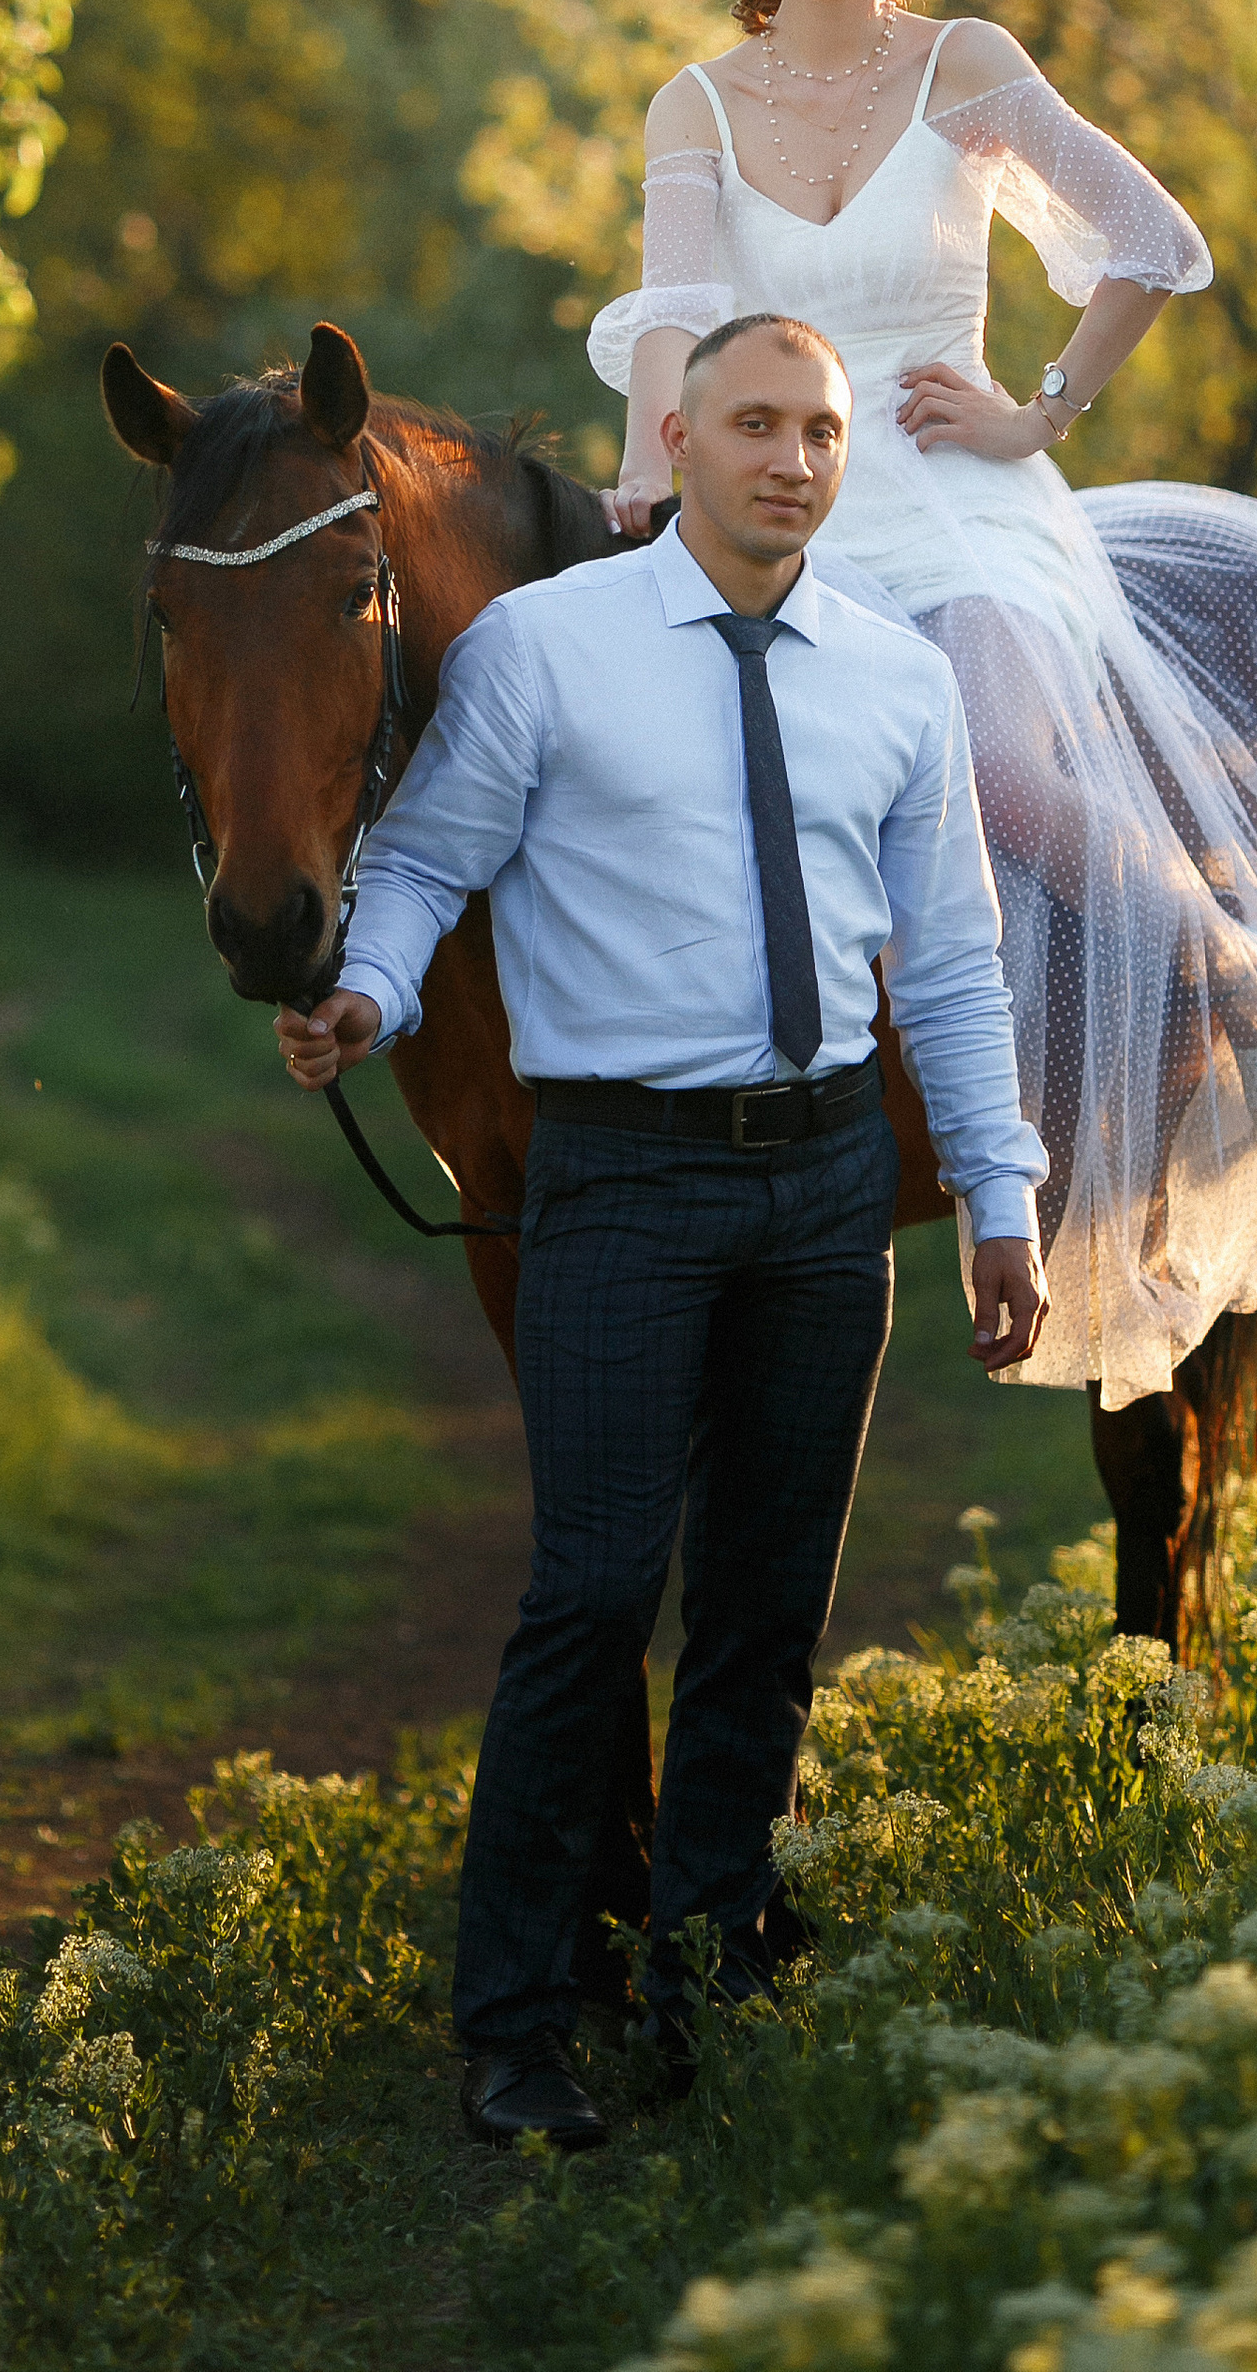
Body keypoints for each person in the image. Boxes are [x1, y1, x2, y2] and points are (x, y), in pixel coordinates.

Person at [278, 311, 1047, 2152]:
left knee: (770, 1611)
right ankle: (523, 2019)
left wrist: (1000, 1201)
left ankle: (713, 1973)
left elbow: (945, 960)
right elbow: (427, 859)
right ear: (681, 442)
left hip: (823, 1185)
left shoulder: (892, 679)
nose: (793, 459)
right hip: (614, 1182)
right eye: (756, 424)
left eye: (824, 431)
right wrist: (370, 998)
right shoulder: (549, 651)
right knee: (594, 1593)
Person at [590, 0, 1257, 1420]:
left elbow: (1148, 238)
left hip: (961, 504)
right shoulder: (697, 102)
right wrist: (645, 455)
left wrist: (1040, 411)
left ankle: (1233, 987)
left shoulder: (963, 64)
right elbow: (673, 306)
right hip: (787, 498)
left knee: (1004, 773)